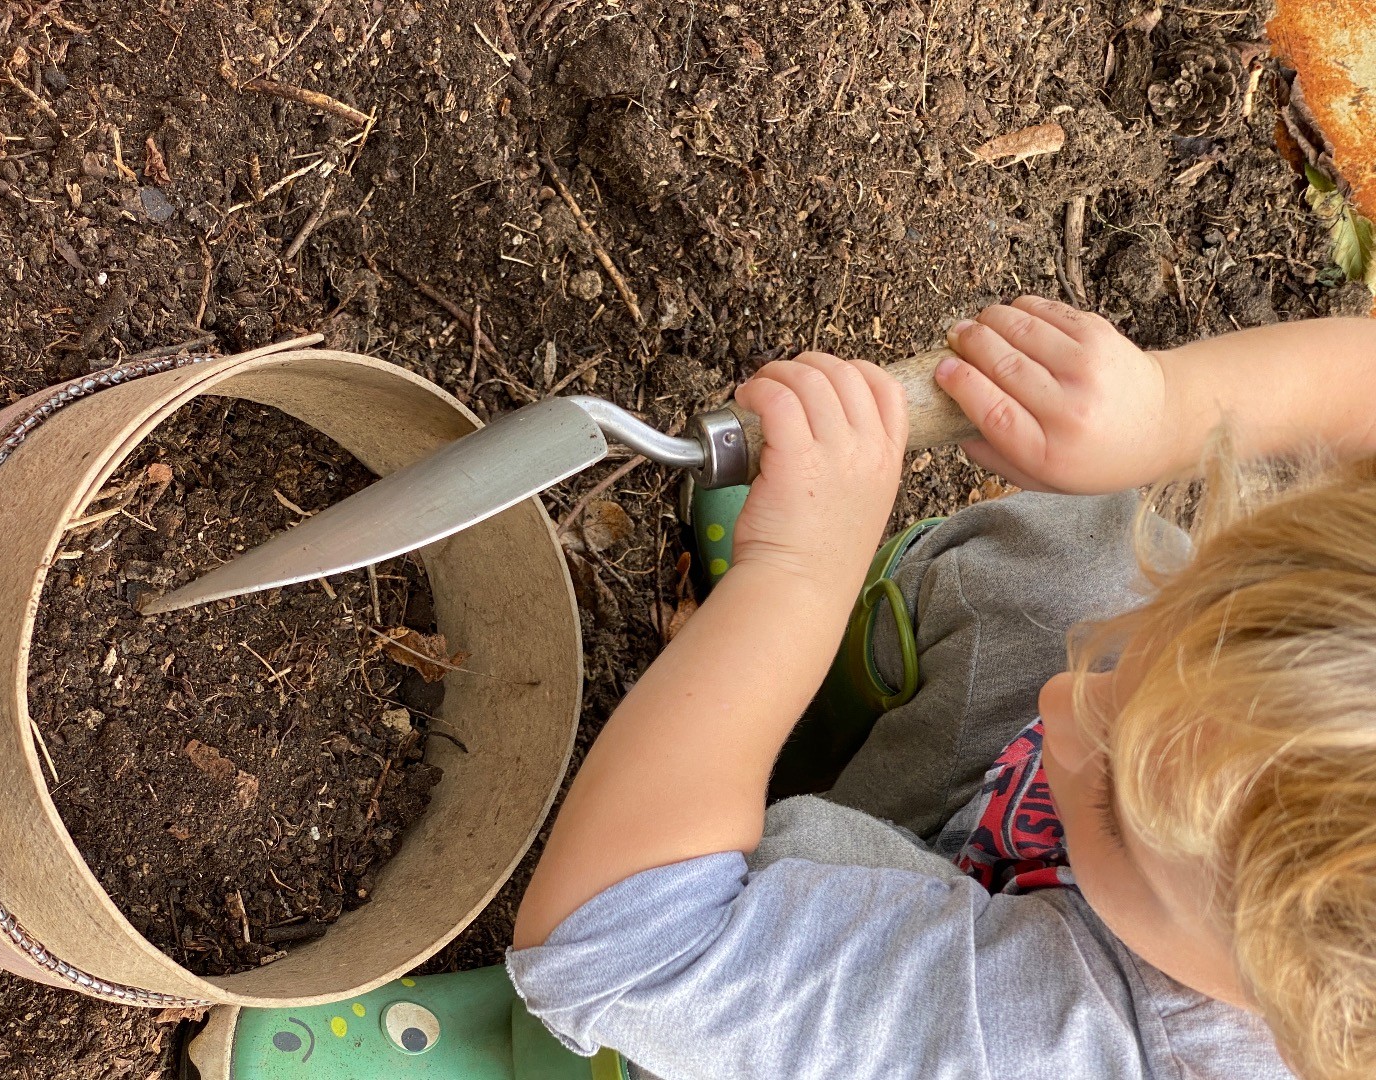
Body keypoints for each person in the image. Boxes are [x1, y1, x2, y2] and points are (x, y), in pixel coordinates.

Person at [505, 296, 1376, 1080]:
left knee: (809, 866)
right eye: (1171, 626)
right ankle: (794, 701)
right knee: (1084, 564)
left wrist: (798, 571)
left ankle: (661, 999)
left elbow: (610, 931)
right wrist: (1167, 408)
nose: (1063, 701)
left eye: (1119, 798)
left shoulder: (1053, 1052)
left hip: (805, 998)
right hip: (1017, 848)